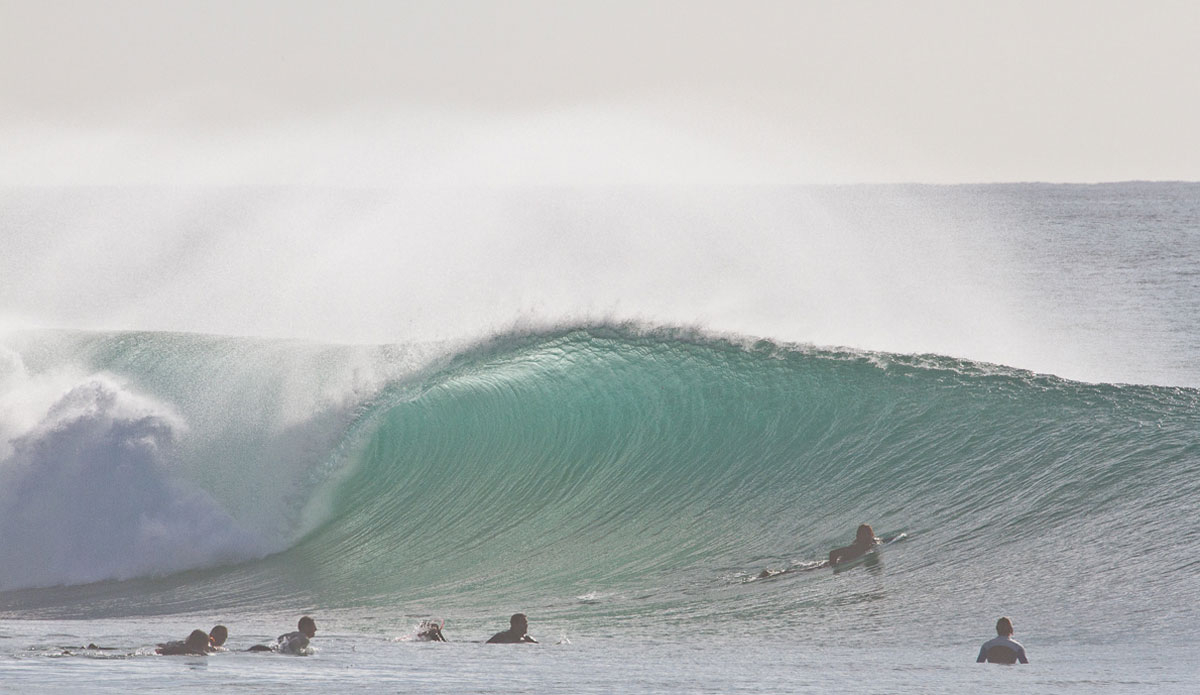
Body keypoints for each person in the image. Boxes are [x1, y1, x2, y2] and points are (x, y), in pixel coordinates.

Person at [248, 616, 318, 655]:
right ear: (306, 627)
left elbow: (280, 638)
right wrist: (297, 653)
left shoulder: (293, 633)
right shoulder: (304, 638)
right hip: (269, 651)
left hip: (264, 648)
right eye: (313, 625)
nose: (315, 629)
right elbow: (293, 642)